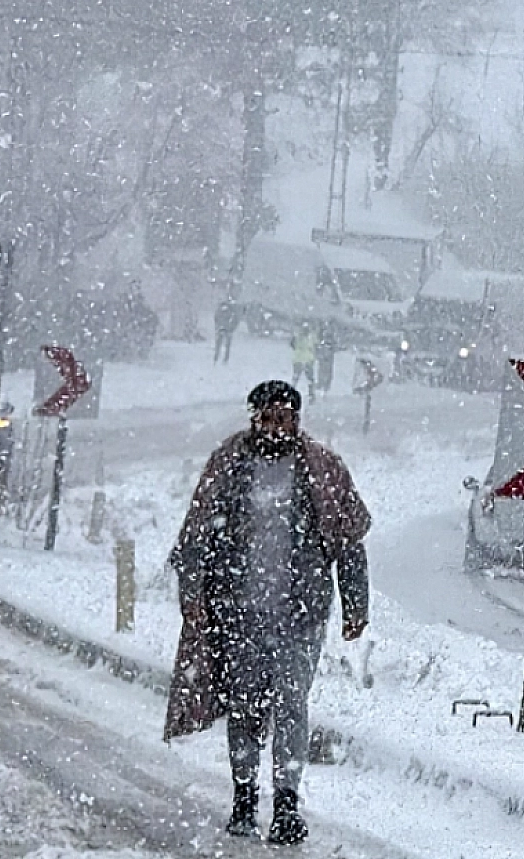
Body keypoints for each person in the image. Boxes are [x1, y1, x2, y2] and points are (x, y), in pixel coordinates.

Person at [164, 380, 370, 846]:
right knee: (246, 707)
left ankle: (286, 805)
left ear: (297, 420)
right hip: (239, 613)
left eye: (287, 418)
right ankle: (243, 796)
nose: (278, 428)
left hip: (301, 613)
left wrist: (355, 604)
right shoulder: (227, 465)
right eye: (269, 418)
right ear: (253, 418)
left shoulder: (322, 469)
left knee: (292, 706)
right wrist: (193, 594)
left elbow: (350, 540)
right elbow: (196, 534)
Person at [290, 322, 318, 401]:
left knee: (297, 377)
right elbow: (314, 347)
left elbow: (292, 345)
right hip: (304, 360)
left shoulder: (300, 337)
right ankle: (311, 394)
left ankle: (310, 394)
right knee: (307, 378)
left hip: (300, 359)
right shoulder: (309, 338)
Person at [212, 297, 240, 364]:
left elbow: (235, 320)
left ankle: (222, 359)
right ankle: (218, 358)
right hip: (224, 329)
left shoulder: (229, 311)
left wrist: (231, 328)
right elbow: (216, 319)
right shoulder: (225, 311)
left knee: (223, 345)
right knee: (221, 345)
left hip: (226, 330)